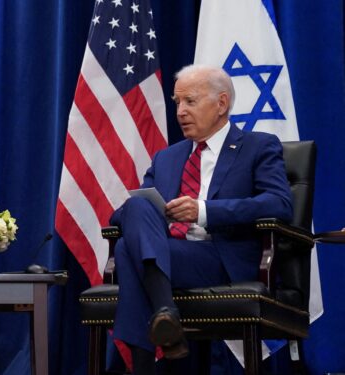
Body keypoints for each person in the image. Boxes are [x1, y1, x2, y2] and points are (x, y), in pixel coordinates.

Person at [109, 65, 292, 374]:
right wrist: (155, 214)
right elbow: (124, 213)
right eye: (177, 102)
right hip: (171, 251)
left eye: (190, 102)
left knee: (129, 251)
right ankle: (165, 311)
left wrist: (203, 211)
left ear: (221, 103)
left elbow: (279, 204)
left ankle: (145, 362)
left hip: (220, 258)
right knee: (136, 217)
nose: (180, 111)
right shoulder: (167, 157)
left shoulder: (258, 146)